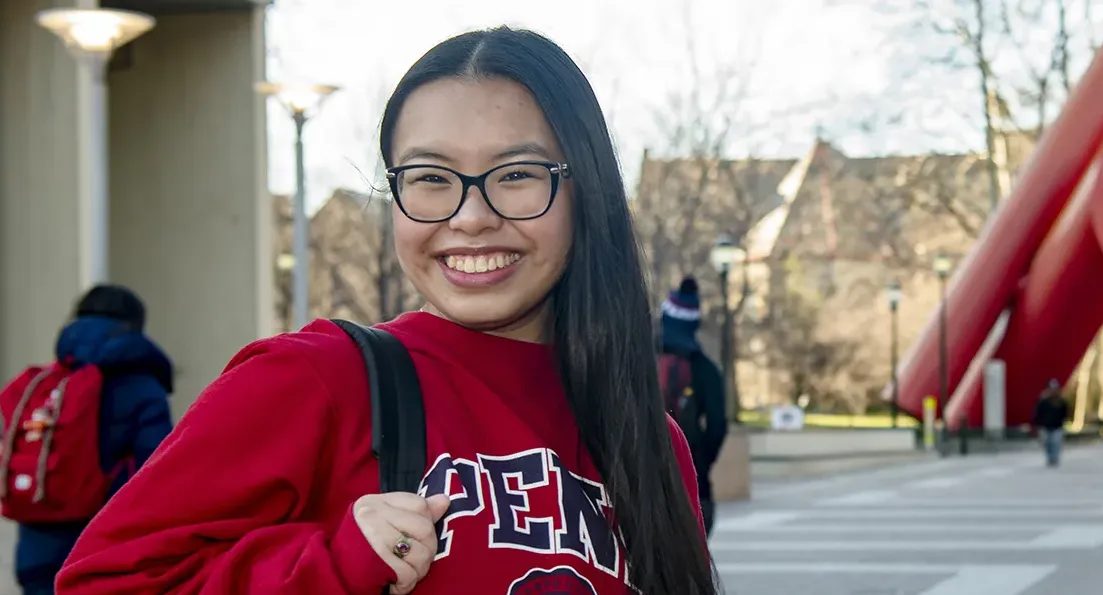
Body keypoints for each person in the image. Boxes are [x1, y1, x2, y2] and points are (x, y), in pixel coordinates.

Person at [56, 27, 717, 595]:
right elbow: (104, 579)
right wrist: (331, 566)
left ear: (585, 191)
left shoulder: (650, 439)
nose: (470, 218)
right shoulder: (314, 378)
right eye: (430, 178)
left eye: (516, 174)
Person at [1, 284, 173, 595]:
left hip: (37, 548)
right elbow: (157, 468)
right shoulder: (143, 387)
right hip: (102, 547)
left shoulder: (51, 384)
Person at [656, 276, 727, 536]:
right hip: (691, 485)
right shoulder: (705, 369)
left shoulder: (636, 359)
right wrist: (700, 462)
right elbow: (718, 425)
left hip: (640, 482)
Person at [1031, 379, 1069, 467]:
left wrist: (1063, 421)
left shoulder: (1061, 401)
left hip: (1057, 426)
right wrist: (1037, 424)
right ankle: (1049, 458)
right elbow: (1038, 412)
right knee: (1047, 443)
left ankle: (1055, 458)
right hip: (1045, 426)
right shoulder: (1043, 401)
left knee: (1056, 443)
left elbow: (1065, 412)